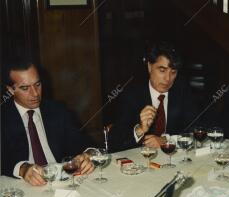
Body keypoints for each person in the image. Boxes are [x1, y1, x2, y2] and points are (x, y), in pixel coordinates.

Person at [1, 58, 95, 186]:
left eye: (38, 84)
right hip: (23, 187)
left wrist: (88, 155)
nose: (35, 94)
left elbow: (82, 142)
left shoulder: (57, 110)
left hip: (62, 183)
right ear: (11, 90)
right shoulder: (4, 117)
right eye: (25, 88)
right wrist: (22, 169)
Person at [108, 42, 199, 152]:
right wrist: (140, 129)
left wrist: (165, 140)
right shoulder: (131, 95)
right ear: (150, 67)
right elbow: (114, 142)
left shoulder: (182, 91)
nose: (167, 79)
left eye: (173, 72)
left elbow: (195, 129)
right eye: (162, 70)